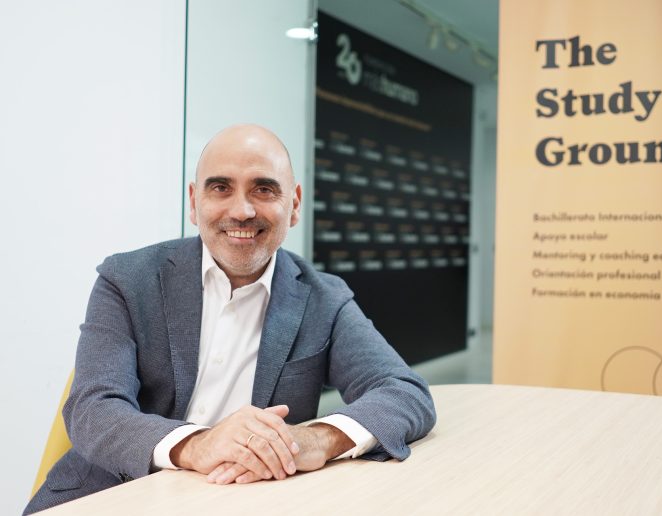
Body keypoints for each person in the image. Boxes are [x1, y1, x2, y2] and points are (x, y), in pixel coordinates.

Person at [25, 124, 436, 514]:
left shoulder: (324, 299)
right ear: (194, 202)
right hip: (112, 494)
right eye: (220, 187)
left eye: (263, 189)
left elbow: (404, 392)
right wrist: (199, 445)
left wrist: (315, 439)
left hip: (244, 504)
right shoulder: (127, 280)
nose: (241, 210)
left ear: (292, 206)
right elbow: (93, 409)